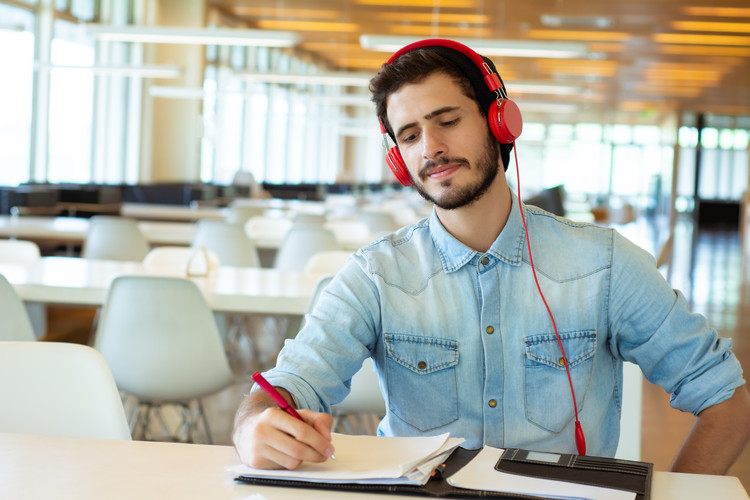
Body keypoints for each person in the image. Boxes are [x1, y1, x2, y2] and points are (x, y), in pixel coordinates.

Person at [232, 39, 750, 472]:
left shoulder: (605, 265)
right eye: (409, 135)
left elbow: (727, 400)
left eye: (447, 120)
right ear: (398, 158)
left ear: (499, 121)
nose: (430, 146)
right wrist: (255, 425)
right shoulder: (375, 275)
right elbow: (289, 385)